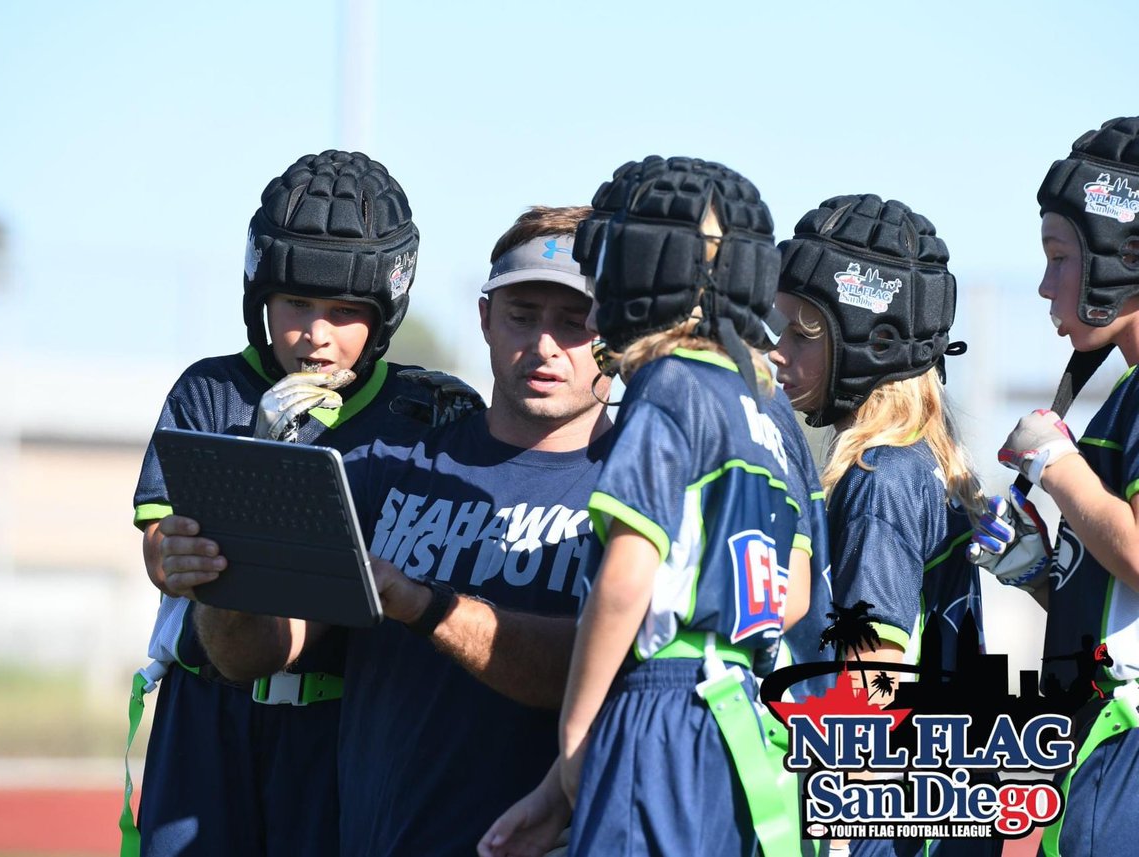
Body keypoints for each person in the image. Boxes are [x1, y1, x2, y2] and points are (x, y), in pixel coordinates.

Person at [162, 205, 614, 857]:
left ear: (620, 332)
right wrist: (225, 574)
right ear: (485, 319)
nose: (544, 344)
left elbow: (595, 669)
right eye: (522, 315)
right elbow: (257, 652)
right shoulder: (384, 467)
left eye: (575, 321)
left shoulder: (643, 485)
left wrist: (425, 604)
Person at [128, 150, 481, 857]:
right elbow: (159, 545)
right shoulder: (211, 390)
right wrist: (181, 547)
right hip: (209, 719)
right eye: (296, 303)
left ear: (386, 310)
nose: (317, 332)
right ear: (261, 294)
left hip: (348, 729)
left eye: (345, 310)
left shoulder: (424, 412)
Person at [483, 156, 812, 857]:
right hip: (738, 718)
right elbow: (794, 595)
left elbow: (628, 578)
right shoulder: (763, 408)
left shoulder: (667, 387)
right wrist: (551, 793)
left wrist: (576, 735)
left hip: (658, 706)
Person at [770, 193, 993, 857]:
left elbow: (874, 677)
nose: (778, 353)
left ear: (871, 345)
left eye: (800, 335)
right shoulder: (928, 465)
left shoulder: (879, 478)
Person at [989, 116, 1139, 857]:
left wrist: (1059, 465)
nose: (1047, 284)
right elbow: (1118, 594)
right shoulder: (1123, 394)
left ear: (1123, 257)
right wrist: (1038, 569)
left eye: (1060, 257)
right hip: (1097, 750)